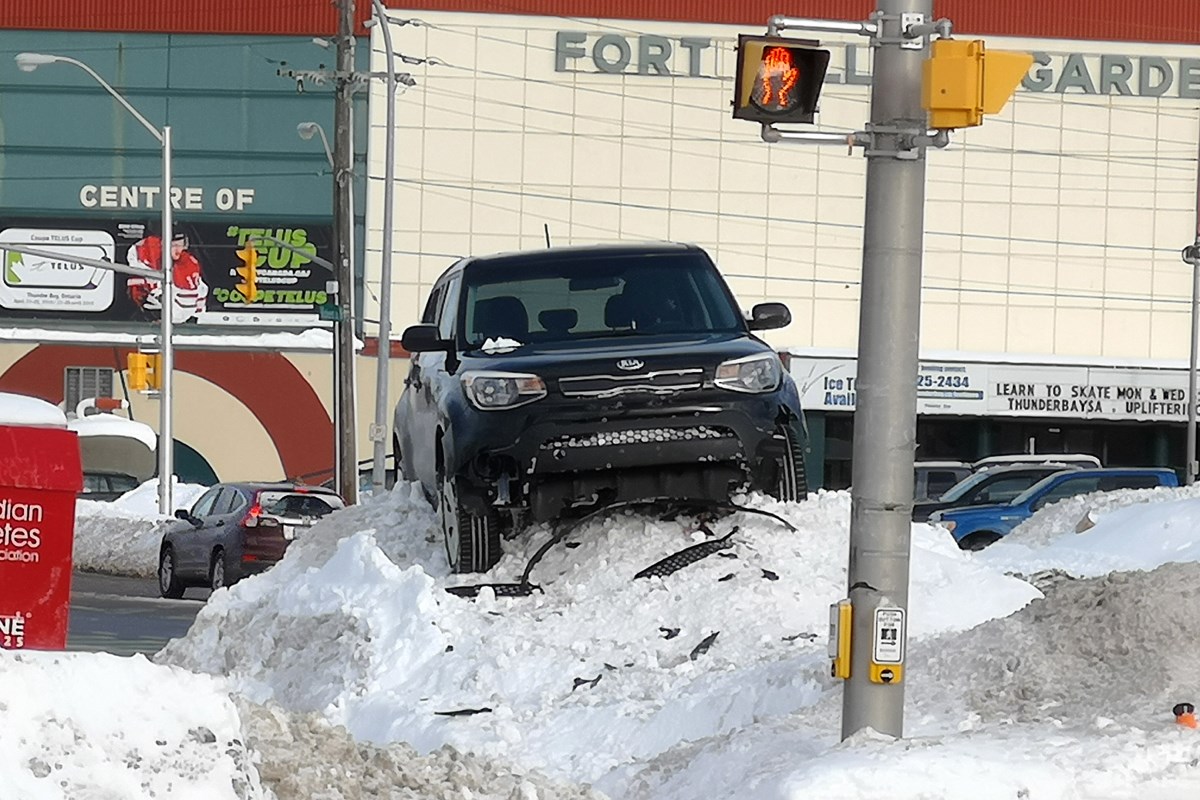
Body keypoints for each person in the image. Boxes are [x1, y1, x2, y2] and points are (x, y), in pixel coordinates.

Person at [126, 231, 208, 323]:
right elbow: (137, 292)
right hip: (148, 318)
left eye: (181, 245)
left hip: (181, 322)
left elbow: (199, 294)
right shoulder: (146, 254)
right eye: (174, 245)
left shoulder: (189, 264)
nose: (178, 249)